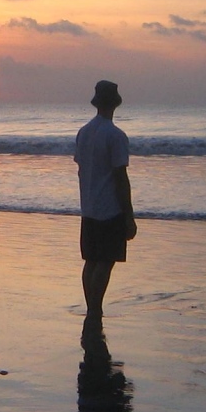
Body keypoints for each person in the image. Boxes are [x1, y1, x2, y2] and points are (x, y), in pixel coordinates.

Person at [74, 80, 136, 316]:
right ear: (115, 104)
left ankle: (92, 307)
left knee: (91, 261)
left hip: (88, 206)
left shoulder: (84, 132)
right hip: (109, 208)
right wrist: (129, 215)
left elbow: (82, 167)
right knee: (105, 261)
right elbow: (121, 177)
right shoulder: (116, 135)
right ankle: (95, 309)